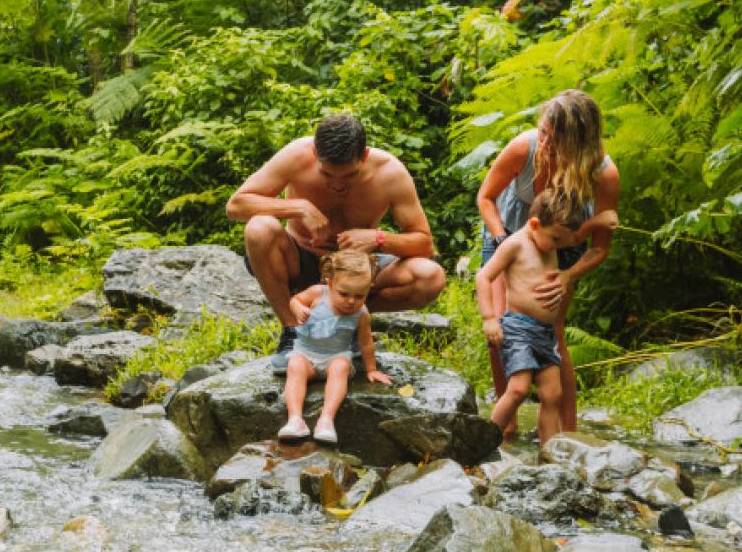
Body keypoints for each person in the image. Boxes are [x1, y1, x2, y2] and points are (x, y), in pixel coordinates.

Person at [226, 114, 445, 370]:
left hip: (357, 269)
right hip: (300, 259)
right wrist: (299, 207)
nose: (338, 185)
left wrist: (378, 238)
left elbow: (424, 243)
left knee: (430, 277)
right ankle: (292, 332)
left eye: (349, 176)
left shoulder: (390, 172)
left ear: (364, 156)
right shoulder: (296, 155)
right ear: (315, 153)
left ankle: (346, 321)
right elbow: (236, 205)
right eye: (328, 175)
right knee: (259, 228)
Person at [477, 89, 620, 432]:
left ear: (579, 144)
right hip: (507, 234)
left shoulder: (603, 174)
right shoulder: (522, 149)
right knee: (500, 327)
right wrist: (502, 241)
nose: (544, 144)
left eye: (555, 140)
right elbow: (485, 197)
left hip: (565, 249)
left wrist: (568, 276)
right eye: (542, 132)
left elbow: (599, 247)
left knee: (553, 332)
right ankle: (504, 427)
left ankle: (568, 434)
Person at [476, 190, 618, 444]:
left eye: (560, 242)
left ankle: (550, 456)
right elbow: (484, 276)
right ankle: (484, 443)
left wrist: (598, 221)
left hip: (545, 331)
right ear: (534, 224)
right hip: (518, 327)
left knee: (553, 395)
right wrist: (489, 318)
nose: (558, 247)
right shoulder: (515, 244)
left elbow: (574, 235)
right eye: (555, 240)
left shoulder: (551, 235)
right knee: (518, 388)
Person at [278, 251, 392, 444]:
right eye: (344, 294)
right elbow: (294, 300)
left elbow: (365, 342)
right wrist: (298, 308)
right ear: (330, 283)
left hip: (335, 356)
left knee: (341, 367)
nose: (351, 301)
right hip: (306, 355)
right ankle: (295, 419)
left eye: (359, 296)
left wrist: (371, 369)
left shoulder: (361, 313)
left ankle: (326, 419)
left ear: (368, 290)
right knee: (295, 366)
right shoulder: (317, 294)